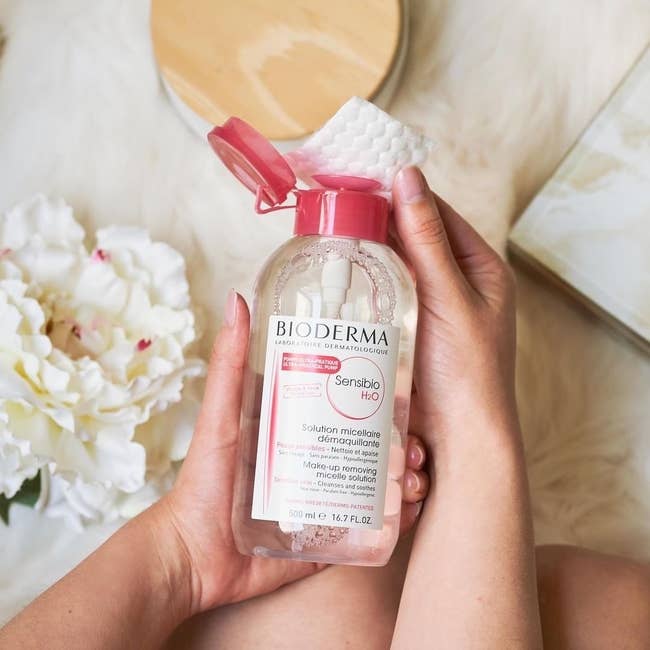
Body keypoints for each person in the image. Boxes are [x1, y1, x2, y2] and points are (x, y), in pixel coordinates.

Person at [1, 168, 648, 649]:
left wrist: (181, 552)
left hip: (232, 574)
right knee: (620, 611)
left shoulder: (340, 272)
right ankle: (470, 447)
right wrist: (474, 418)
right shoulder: (295, 266)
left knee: (599, 601)